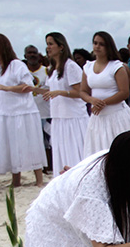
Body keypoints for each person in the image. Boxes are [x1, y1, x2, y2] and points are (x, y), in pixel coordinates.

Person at [0, 33, 47, 187]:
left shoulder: (17, 65)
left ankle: (39, 179)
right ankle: (16, 180)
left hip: (22, 112)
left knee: (30, 144)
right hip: (5, 113)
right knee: (11, 146)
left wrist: (7, 88)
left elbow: (26, 87)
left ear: (2, 47)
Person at [81, 31, 130, 156]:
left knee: (122, 153)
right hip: (98, 117)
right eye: (95, 43)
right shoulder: (88, 67)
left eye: (101, 44)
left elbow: (124, 92)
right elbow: (83, 91)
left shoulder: (117, 67)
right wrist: (93, 100)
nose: (97, 47)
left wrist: (104, 102)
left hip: (116, 116)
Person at [42, 32, 89, 173]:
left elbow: (80, 92)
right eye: (47, 44)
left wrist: (61, 93)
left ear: (61, 46)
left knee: (74, 153)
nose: (48, 47)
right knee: (61, 152)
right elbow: (51, 90)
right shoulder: (53, 69)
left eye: (51, 44)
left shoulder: (70, 66)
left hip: (73, 118)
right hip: (59, 117)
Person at [25, 44, 52, 169]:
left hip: (47, 113)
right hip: (30, 113)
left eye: (34, 53)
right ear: (25, 56)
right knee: (35, 142)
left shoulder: (47, 71)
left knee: (49, 142)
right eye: (29, 53)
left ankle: (50, 166)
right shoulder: (24, 73)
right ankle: (40, 167)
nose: (32, 55)